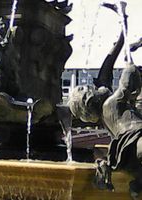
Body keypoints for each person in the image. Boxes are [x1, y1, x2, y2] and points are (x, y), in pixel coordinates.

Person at [68, 2, 142, 198]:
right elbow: (128, 77)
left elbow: (109, 62)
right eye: (85, 88)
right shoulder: (112, 102)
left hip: (126, 155)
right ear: (89, 99)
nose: (88, 85)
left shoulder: (104, 119)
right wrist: (129, 64)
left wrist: (122, 21)